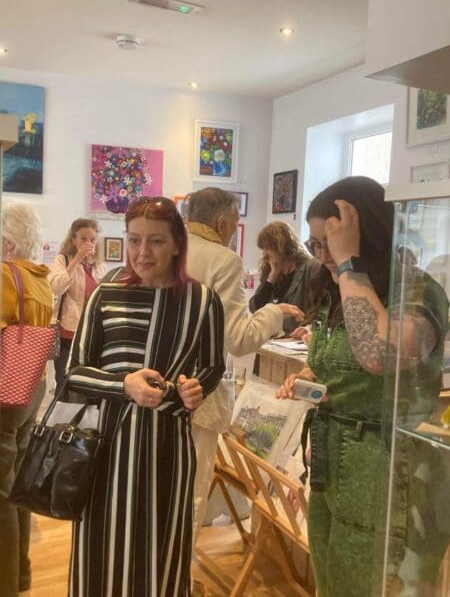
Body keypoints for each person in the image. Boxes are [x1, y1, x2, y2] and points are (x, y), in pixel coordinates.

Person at [277, 176, 448, 596]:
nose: (322, 256)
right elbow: (338, 364)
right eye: (315, 244)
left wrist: (349, 263)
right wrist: (310, 379)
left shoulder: (417, 290)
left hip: (390, 471)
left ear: (363, 237)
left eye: (329, 244)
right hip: (335, 465)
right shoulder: (336, 291)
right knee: (334, 583)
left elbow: (377, 354)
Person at [65, 197, 225, 596]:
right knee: (102, 549)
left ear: (177, 244)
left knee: (161, 551)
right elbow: (75, 371)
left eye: (155, 241)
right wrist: (124, 385)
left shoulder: (202, 301)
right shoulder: (105, 295)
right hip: (107, 450)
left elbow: (212, 366)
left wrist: (196, 387)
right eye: (134, 239)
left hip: (168, 450)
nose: (142, 252)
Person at [185, 187, 303, 541]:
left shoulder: (170, 248)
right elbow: (237, 338)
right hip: (199, 393)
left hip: (158, 392)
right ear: (222, 222)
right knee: (191, 494)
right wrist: (275, 313)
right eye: (236, 222)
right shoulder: (222, 260)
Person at [0, 202, 53, 596]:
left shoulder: (5, 275)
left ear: (7, 241)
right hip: (29, 387)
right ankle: (19, 575)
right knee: (15, 485)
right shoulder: (39, 278)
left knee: (0, 494)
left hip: (4, 391)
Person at [48, 218, 106, 391]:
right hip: (68, 331)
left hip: (91, 332)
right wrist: (77, 259)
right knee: (64, 382)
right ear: (73, 239)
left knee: (88, 383)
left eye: (92, 239)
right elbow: (56, 287)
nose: (88, 243)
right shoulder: (63, 260)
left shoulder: (99, 265)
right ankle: (61, 409)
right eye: (83, 238)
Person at [249, 221, 320, 335]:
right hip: (272, 340)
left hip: (297, 339)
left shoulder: (311, 268)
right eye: (263, 249)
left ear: (281, 246)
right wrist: (272, 276)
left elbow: (320, 310)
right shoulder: (270, 270)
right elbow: (255, 308)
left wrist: (309, 328)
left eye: (267, 248)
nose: (265, 254)